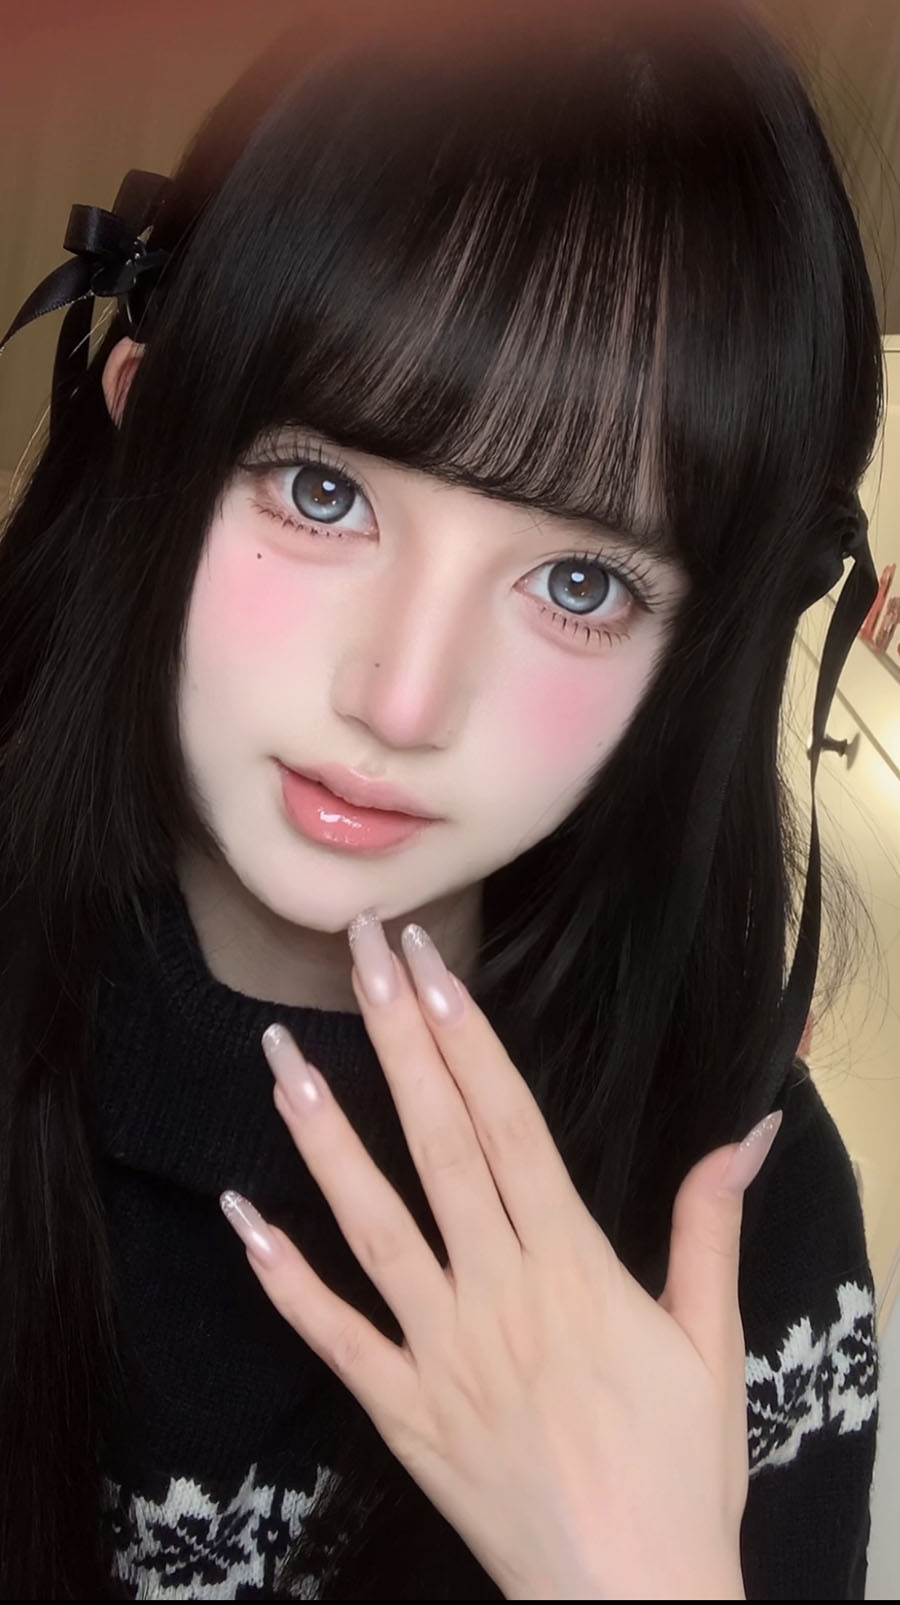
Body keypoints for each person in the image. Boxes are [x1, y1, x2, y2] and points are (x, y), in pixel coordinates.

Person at [0, 0, 883, 1597]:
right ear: (145, 418)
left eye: (581, 582)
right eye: (323, 488)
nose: (402, 701)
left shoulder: (739, 1212)